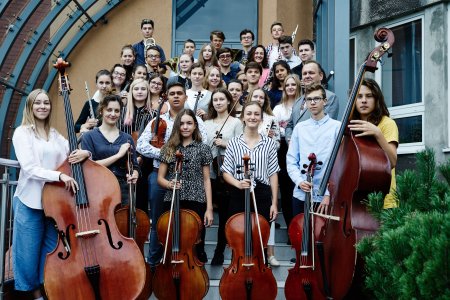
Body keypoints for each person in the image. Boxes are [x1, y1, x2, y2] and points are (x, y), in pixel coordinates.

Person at [12, 89, 90, 299]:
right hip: (30, 202)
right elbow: (29, 168)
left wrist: (87, 152)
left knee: (49, 251)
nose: (43, 106)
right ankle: (33, 294)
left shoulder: (54, 135)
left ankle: (46, 289)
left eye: (46, 103)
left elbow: (72, 151)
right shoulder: (22, 132)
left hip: (53, 204)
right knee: (27, 254)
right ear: (30, 106)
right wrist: (60, 177)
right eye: (38, 103)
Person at [137, 82, 208, 267]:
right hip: (159, 175)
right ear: (167, 97)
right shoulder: (157, 120)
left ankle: (186, 264)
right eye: (172, 93)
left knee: (188, 225)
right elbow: (141, 145)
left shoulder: (196, 120)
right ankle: (153, 264)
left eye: (179, 93)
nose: (176, 96)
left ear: (185, 96)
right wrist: (165, 155)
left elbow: (204, 144)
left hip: (189, 179)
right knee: (159, 222)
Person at [221, 101, 279, 264]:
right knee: (238, 236)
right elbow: (226, 172)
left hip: (262, 193)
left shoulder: (269, 143)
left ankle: (261, 270)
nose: (252, 117)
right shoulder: (233, 142)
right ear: (243, 117)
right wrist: (238, 184)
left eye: (256, 114)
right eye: (249, 114)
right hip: (239, 192)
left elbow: (273, 174)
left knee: (261, 238)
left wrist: (274, 203)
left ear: (261, 118)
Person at [158, 108, 213, 263]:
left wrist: (209, 209)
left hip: (196, 200)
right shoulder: (169, 148)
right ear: (177, 126)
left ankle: (195, 281)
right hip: (173, 199)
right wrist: (169, 184)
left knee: (196, 244)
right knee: (172, 241)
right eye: (182, 123)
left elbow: (207, 179)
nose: (185, 127)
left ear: (195, 125)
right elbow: (160, 178)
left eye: (189, 123)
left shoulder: (203, 148)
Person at [286, 83, 341, 216]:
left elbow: (340, 165)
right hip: (301, 195)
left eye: (316, 99)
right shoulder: (299, 128)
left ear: (325, 101)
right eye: (309, 99)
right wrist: (299, 181)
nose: (312, 103)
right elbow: (291, 160)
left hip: (327, 196)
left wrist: (328, 194)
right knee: (300, 234)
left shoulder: (337, 127)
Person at [204, 88, 243, 265]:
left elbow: (241, 146)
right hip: (209, 174)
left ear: (228, 101)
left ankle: (219, 250)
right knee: (205, 212)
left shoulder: (236, 122)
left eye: (222, 99)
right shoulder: (206, 122)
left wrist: (225, 143)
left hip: (227, 174)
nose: (218, 102)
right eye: (215, 100)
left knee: (225, 215)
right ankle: (200, 250)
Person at [348, 78, 398, 209]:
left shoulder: (387, 123)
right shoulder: (349, 127)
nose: (363, 100)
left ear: (376, 99)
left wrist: (378, 134)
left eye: (369, 96)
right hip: (356, 201)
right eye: (359, 97)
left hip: (384, 201)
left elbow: (392, 162)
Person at [81, 94, 140, 206]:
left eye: (117, 111)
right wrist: (118, 155)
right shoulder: (89, 136)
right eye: (109, 110)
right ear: (101, 111)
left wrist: (135, 174)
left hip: (123, 188)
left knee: (123, 222)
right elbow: (90, 166)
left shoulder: (127, 138)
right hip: (98, 187)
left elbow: (135, 165)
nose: (113, 114)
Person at [247, 88, 281, 266]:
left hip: (264, 172)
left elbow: (277, 144)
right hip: (245, 174)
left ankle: (270, 253)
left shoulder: (271, 119)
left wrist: (267, 141)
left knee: (268, 216)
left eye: (262, 96)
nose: (259, 98)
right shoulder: (244, 117)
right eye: (256, 96)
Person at [272, 75, 301, 237]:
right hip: (282, 150)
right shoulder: (278, 108)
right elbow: (276, 131)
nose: (290, 87)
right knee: (286, 189)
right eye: (287, 85)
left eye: (293, 84)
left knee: (295, 190)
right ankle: (291, 231)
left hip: (298, 149)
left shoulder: (303, 106)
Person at [285, 60, 339, 143]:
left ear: (321, 76)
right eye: (304, 74)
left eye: (311, 73)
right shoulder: (298, 101)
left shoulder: (330, 97)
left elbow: (325, 127)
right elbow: (290, 125)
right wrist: (290, 140)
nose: (307, 76)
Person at [75, 69, 112, 133]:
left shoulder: (115, 102)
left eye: (107, 83)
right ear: (96, 84)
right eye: (101, 82)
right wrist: (87, 125)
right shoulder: (89, 103)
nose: (104, 86)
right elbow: (76, 127)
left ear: (111, 84)